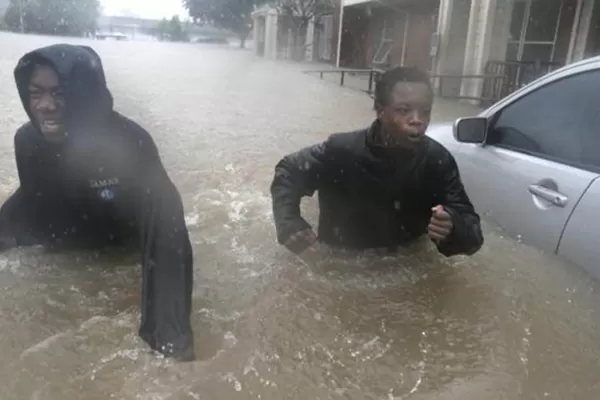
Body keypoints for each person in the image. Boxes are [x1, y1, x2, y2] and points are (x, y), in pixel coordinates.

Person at [0, 44, 195, 361]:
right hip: (73, 242)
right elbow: (32, 202)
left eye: (59, 94)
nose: (45, 106)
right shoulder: (27, 141)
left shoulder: (130, 143)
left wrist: (171, 342)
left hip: (125, 245)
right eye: (35, 93)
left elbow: (166, 228)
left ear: (84, 95)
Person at [270, 66, 484, 257]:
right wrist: (288, 222)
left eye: (425, 111)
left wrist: (453, 229)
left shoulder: (438, 161)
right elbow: (288, 171)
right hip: (339, 263)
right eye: (404, 110)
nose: (417, 120)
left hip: (407, 265)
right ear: (380, 111)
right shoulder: (341, 150)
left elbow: (472, 233)